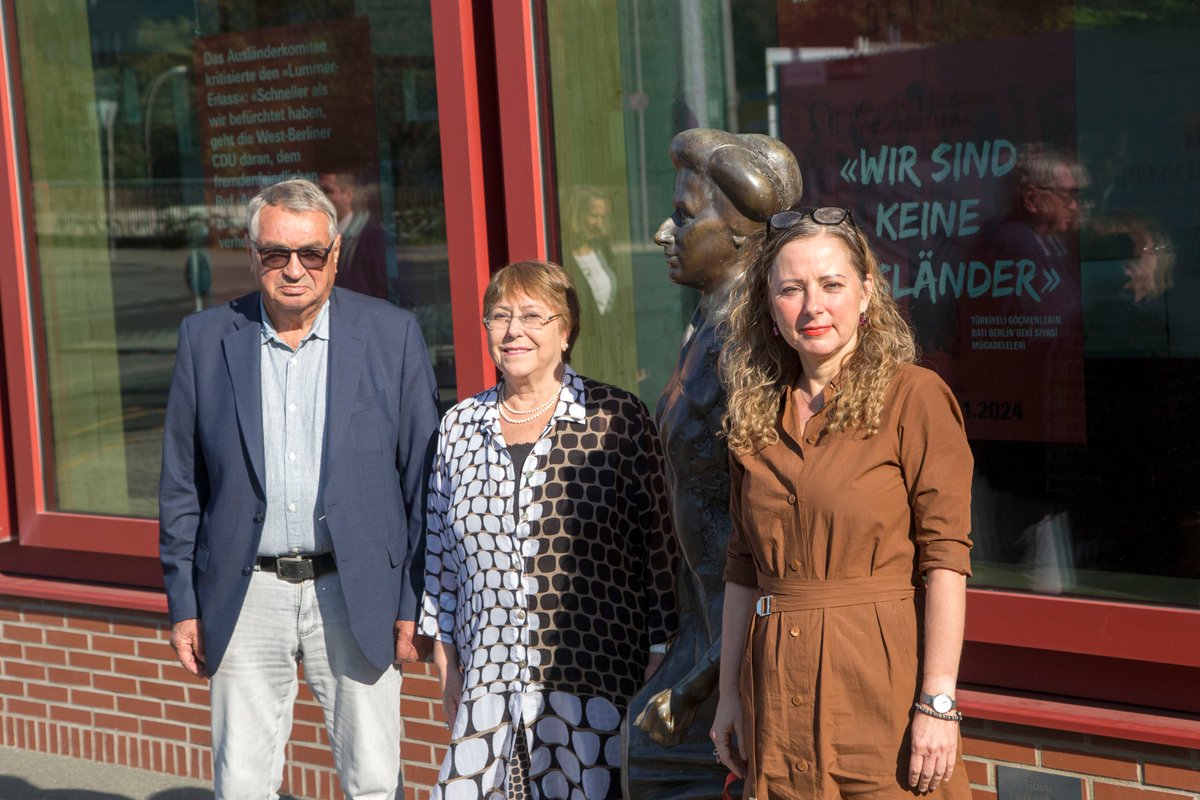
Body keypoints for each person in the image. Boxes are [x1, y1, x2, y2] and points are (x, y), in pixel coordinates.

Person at [159, 178, 439, 799]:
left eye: (310, 253)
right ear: (253, 254)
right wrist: (183, 601)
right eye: (275, 254)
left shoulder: (392, 336)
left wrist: (412, 597)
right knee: (242, 781)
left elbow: (423, 482)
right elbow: (182, 484)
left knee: (372, 778)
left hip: (356, 586)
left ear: (335, 253)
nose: (294, 270)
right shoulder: (205, 340)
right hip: (243, 589)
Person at [712, 206, 974, 800]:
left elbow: (946, 559)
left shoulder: (914, 398)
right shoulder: (753, 415)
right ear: (769, 308)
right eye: (791, 289)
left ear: (865, 294)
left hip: (877, 692)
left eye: (832, 285)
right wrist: (730, 695)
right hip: (776, 697)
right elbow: (742, 568)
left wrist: (938, 700)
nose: (813, 307)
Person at [419, 260, 678, 800]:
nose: (514, 331)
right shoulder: (458, 428)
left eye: (533, 316)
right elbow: (441, 557)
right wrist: (446, 660)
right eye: (500, 316)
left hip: (595, 681)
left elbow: (660, 549)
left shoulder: (615, 419)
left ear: (566, 332)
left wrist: (661, 654)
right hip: (488, 686)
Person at [625, 129, 802, 799]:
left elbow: (772, 531)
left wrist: (709, 677)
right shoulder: (705, 326)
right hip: (698, 635)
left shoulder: (753, 348)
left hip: (737, 658)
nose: (663, 232)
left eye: (684, 214)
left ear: (737, 234)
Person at [319, 170, 394, 301]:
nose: (321, 198)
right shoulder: (319, 234)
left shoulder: (374, 239)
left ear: (348, 195)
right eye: (319, 191)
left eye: (327, 191)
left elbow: (384, 291)